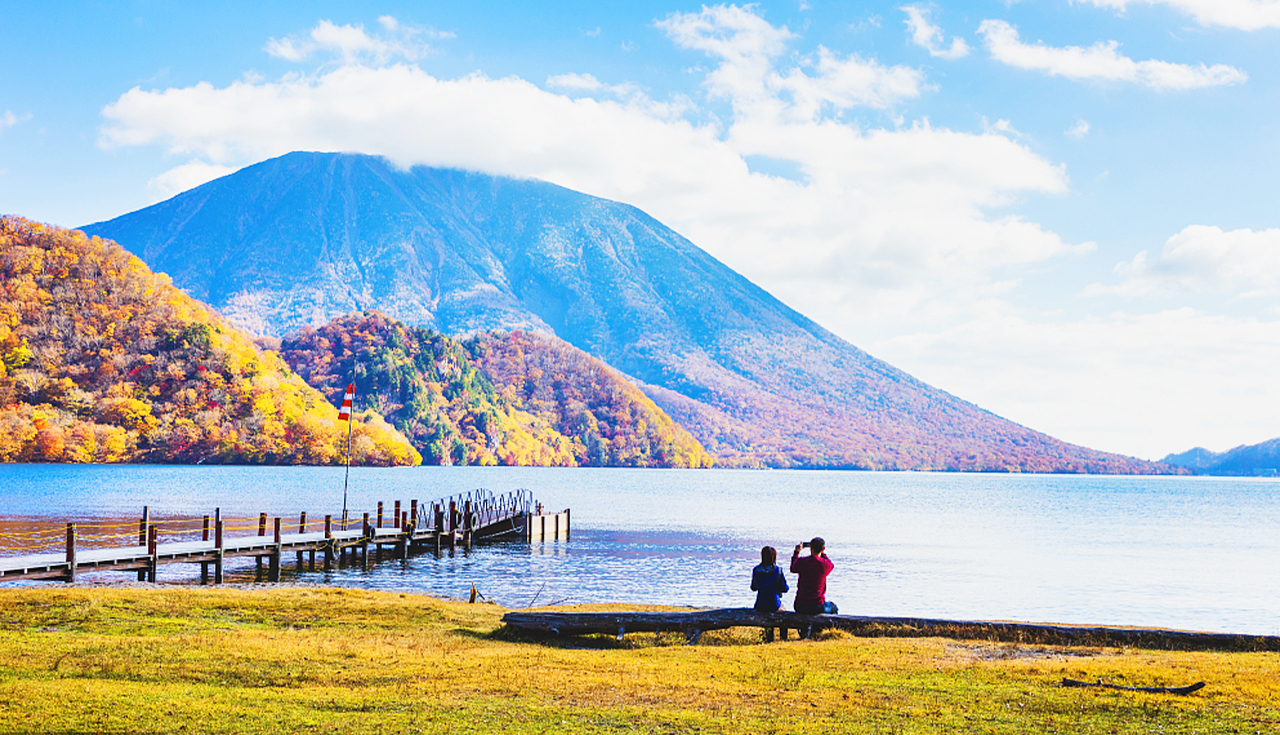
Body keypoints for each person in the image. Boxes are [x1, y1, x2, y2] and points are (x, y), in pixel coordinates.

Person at [791, 537, 837, 615]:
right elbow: (831, 564)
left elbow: (793, 567)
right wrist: (822, 553)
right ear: (823, 549)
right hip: (817, 605)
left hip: (800, 605)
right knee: (834, 607)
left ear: (810, 548)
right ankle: (830, 626)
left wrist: (796, 552)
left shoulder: (802, 562)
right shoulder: (825, 564)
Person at [750, 546, 788, 612]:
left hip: (760, 605)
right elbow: (785, 589)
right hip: (774, 605)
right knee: (782, 607)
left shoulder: (756, 570)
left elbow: (753, 588)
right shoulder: (778, 570)